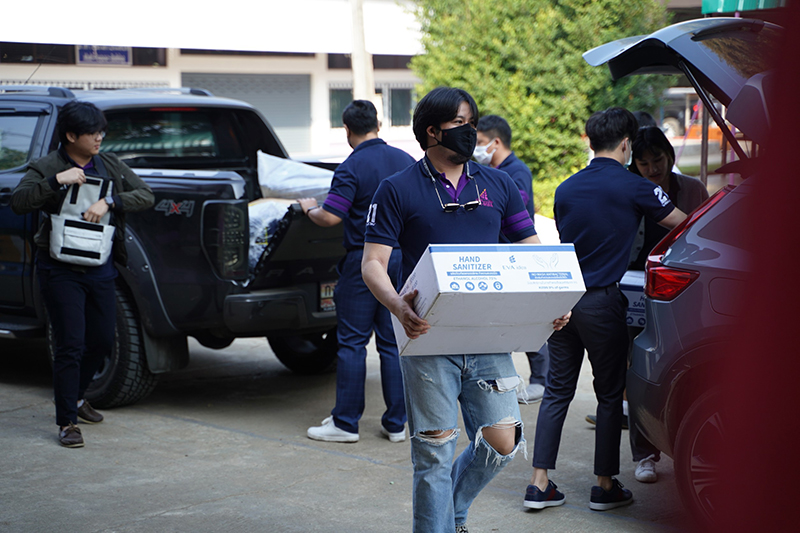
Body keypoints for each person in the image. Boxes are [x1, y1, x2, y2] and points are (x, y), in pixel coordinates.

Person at [361, 86, 569, 533]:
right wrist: (397, 305)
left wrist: (551, 299)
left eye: (473, 123)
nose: (471, 131)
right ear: (432, 131)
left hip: (489, 335)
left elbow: (532, 251)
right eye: (460, 123)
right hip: (427, 337)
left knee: (503, 440)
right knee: (434, 451)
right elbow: (373, 263)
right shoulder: (397, 188)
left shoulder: (499, 184)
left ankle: (449, 513)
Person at [523, 107, 686, 512]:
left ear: (591, 142)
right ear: (627, 144)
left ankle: (539, 484)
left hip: (563, 300)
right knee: (610, 394)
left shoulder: (566, 188)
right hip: (602, 301)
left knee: (557, 391)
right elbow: (685, 224)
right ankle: (604, 485)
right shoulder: (635, 187)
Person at [11, 101, 154, 448]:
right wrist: (55, 181)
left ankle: (76, 397)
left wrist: (111, 202)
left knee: (102, 340)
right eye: (92, 133)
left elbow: (146, 195)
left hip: (100, 264)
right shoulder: (48, 165)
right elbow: (19, 201)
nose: (99, 138)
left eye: (101, 131)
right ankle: (67, 422)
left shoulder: (109, 164)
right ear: (71, 136)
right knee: (70, 343)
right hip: (59, 268)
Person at [299, 100, 414, 443]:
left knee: (352, 342)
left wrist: (310, 209)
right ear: (378, 125)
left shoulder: (351, 167)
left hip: (364, 263)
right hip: (401, 260)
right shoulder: (406, 161)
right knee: (392, 343)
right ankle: (397, 424)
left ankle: (346, 424)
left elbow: (331, 216)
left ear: (347, 131)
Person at [625, 125, 709, 483]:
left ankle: (693, 443)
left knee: (678, 365)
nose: (652, 169)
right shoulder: (631, 188)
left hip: (680, 289)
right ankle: (644, 454)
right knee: (639, 367)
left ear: (669, 156)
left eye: (657, 160)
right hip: (636, 287)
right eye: (643, 163)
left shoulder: (692, 189)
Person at [474, 115, 549, 404]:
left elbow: (513, 207)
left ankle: (541, 380)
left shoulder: (515, 172)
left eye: (481, 142)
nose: (477, 148)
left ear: (496, 142)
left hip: (517, 256)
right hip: (501, 256)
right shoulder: (495, 171)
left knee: (527, 320)